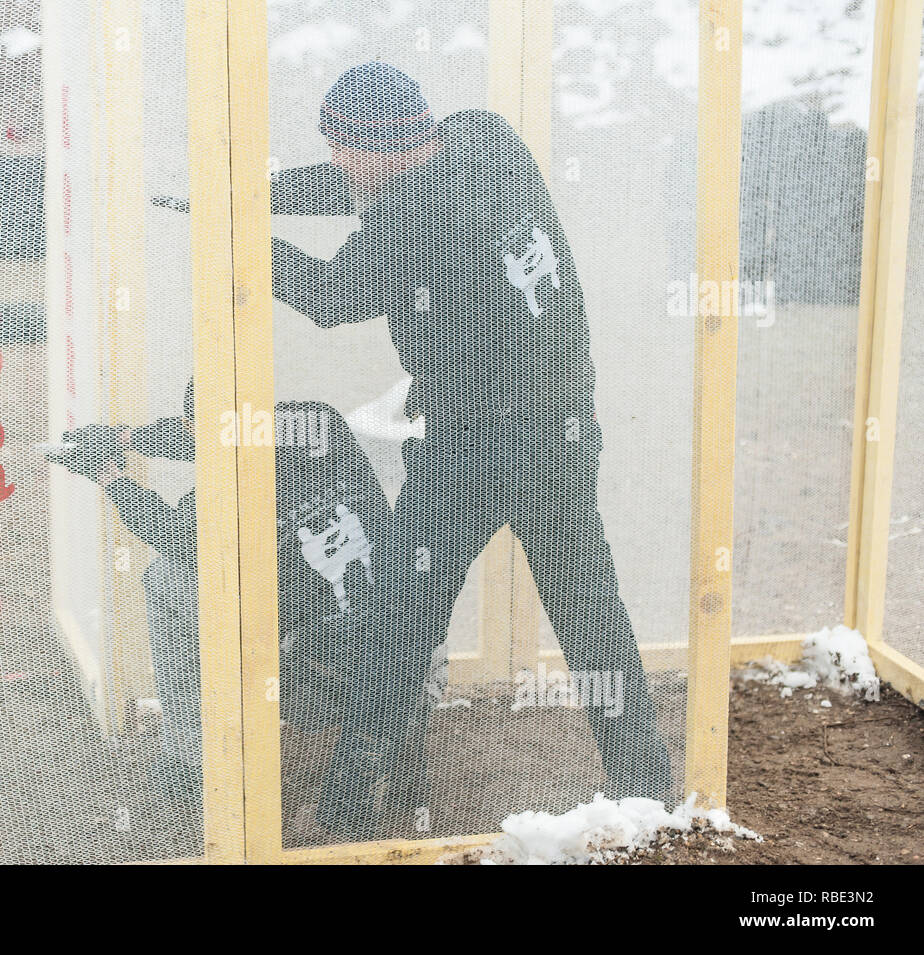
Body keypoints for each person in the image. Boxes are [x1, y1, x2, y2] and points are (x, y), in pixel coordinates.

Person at [260, 61, 673, 834]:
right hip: (563, 427)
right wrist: (260, 196)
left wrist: (241, 232)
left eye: (343, 149)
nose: (340, 164)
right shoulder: (485, 134)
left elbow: (328, 295)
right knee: (592, 617)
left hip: (476, 449)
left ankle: (350, 805)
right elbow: (360, 187)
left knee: (399, 618)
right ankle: (648, 786)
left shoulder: (407, 215)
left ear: (375, 148)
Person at [48, 380, 396, 818]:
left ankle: (192, 763)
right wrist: (127, 437)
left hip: (316, 675)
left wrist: (110, 476)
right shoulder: (318, 421)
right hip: (403, 645)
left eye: (192, 428)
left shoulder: (231, 489)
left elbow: (178, 539)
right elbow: (222, 432)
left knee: (167, 580)